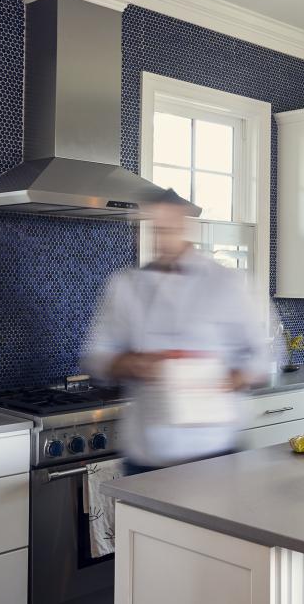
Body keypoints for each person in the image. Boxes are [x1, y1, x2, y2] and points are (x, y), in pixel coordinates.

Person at [81, 189, 269, 475]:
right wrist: (135, 364)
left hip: (214, 449)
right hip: (147, 451)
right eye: (154, 228)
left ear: (185, 224)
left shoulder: (227, 283)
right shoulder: (125, 285)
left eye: (169, 227)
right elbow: (96, 356)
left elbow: (263, 356)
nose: (161, 237)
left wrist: (229, 378)